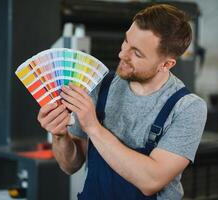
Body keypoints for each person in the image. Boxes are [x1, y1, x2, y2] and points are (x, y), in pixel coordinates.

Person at [37, 4, 207, 200]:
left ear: (166, 64)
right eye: (126, 41)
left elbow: (151, 181)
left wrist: (93, 127)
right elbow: (70, 165)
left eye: (137, 53)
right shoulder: (100, 85)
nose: (122, 54)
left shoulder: (187, 107)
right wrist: (59, 135)